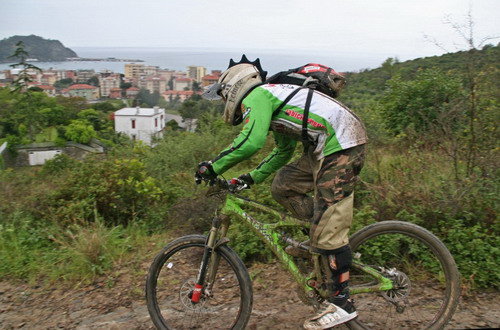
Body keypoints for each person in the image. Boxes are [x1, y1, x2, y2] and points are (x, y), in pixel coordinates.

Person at [196, 55, 368, 329]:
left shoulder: (259, 96)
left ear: (232, 87)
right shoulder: (276, 100)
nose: (222, 102)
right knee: (284, 185)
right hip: (327, 146)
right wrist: (247, 179)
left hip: (342, 144)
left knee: (329, 226)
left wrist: (212, 167)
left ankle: (341, 303)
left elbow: (249, 144)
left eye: (221, 96)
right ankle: (321, 243)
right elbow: (282, 153)